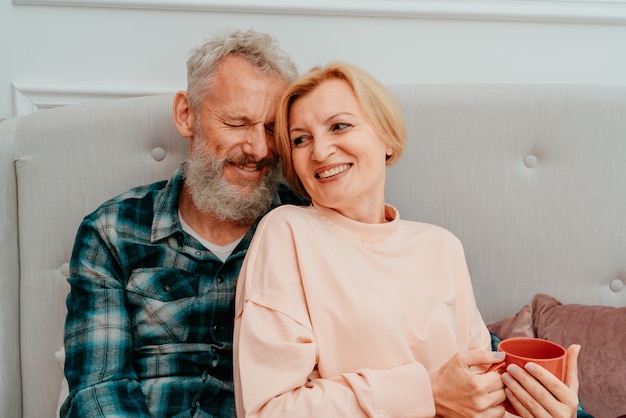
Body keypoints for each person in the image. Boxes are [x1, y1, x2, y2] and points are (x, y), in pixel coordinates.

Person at [233, 62, 581, 417]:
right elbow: (269, 410)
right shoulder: (287, 232)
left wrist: (548, 410)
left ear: (385, 138)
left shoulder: (442, 247)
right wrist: (426, 393)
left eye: (339, 126)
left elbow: (480, 394)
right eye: (300, 139)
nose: (320, 152)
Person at [61, 29, 303, 418]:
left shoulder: (307, 228)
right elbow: (98, 390)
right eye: (237, 123)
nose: (259, 149)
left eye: (272, 128)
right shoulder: (113, 231)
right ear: (186, 115)